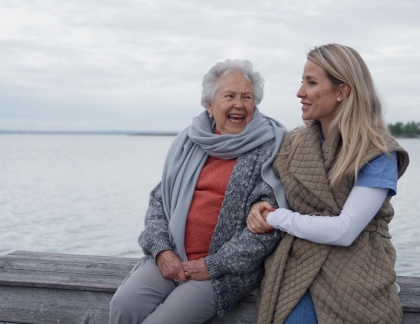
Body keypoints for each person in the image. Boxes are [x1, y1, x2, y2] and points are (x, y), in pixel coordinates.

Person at [109, 59, 288, 324]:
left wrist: (213, 265)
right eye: (229, 96)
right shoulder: (189, 143)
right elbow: (159, 202)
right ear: (209, 105)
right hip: (172, 256)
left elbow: (265, 230)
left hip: (222, 272)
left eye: (247, 97)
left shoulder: (270, 148)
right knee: (123, 306)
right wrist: (161, 251)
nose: (239, 104)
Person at [247, 44, 410, 324]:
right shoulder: (292, 144)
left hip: (358, 265)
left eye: (311, 83)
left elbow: (344, 230)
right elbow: (271, 190)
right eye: (302, 82)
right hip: (299, 261)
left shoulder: (377, 152)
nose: (300, 92)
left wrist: (277, 217)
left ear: (342, 91)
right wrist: (259, 206)